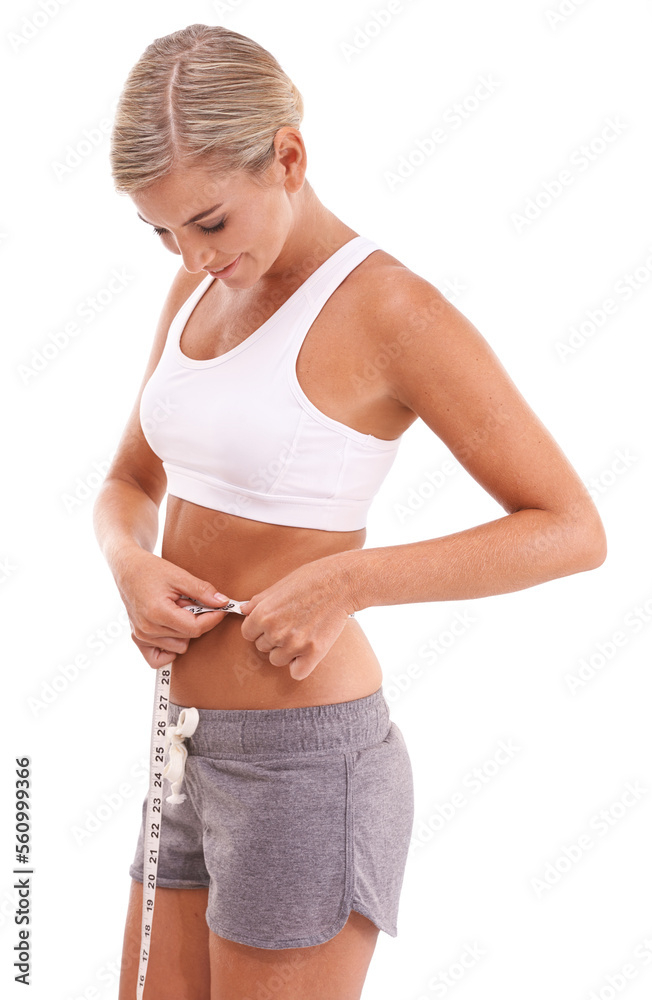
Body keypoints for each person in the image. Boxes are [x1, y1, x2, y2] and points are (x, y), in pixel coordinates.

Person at [93, 22, 607, 1000]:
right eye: (160, 232)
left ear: (288, 154)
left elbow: (571, 526)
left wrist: (348, 580)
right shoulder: (197, 289)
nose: (190, 254)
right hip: (183, 744)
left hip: (303, 766)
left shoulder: (389, 310)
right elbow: (127, 480)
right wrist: (129, 563)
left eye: (207, 222)